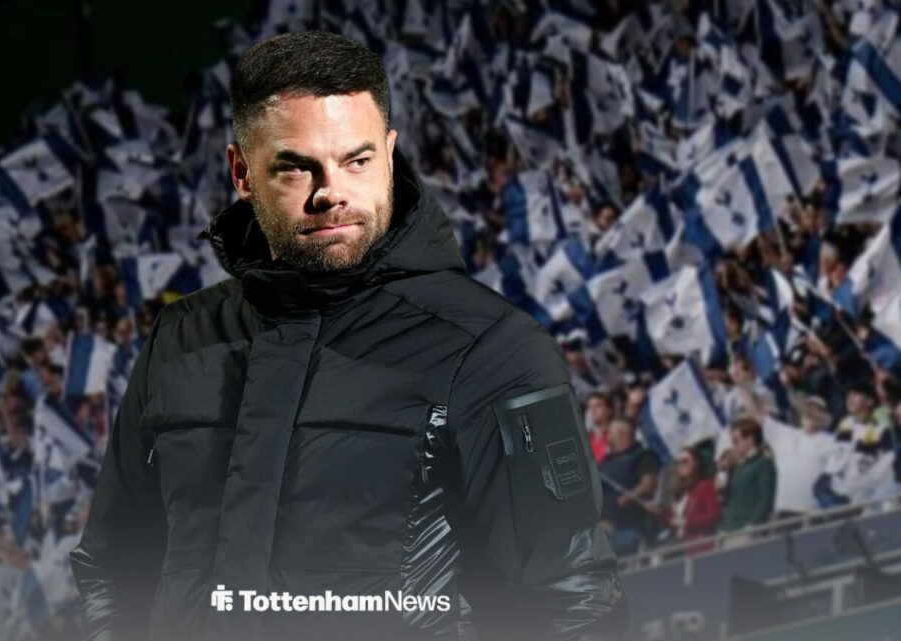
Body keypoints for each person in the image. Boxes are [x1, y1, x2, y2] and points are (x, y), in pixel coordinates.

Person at [70, 30, 627, 641]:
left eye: (356, 161)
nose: (330, 192)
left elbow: (573, 606)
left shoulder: (496, 351)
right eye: (295, 167)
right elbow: (112, 569)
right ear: (242, 172)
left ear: (389, 155)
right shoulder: (180, 341)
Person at [597, 417, 661, 556]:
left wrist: (627, 498)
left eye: (610, 432)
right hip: (605, 522)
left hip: (630, 521)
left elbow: (648, 483)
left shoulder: (642, 456)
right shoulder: (605, 462)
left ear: (620, 434)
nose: (608, 436)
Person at [648, 445, 721, 556]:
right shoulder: (680, 493)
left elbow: (714, 515)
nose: (681, 466)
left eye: (685, 461)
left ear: (696, 463)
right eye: (678, 463)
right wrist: (659, 513)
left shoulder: (705, 486)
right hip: (683, 546)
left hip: (700, 546)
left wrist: (687, 521)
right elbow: (674, 520)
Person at [720, 418, 777, 535]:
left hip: (748, 530)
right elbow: (729, 500)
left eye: (736, 441)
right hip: (731, 529)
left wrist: (754, 525)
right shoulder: (737, 468)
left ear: (750, 439)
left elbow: (766, 498)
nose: (733, 446)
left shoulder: (763, 464)